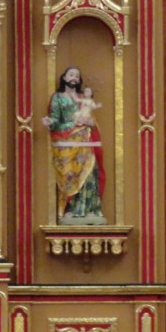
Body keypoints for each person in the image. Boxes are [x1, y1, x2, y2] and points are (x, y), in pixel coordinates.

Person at [42, 66, 106, 223]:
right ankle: (70, 209)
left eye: (77, 76)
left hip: (85, 141)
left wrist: (91, 122)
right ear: (64, 78)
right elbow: (56, 119)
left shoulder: (83, 97)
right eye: (71, 75)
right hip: (67, 142)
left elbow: (89, 117)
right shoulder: (58, 97)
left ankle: (91, 209)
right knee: (69, 175)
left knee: (89, 173)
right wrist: (50, 122)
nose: (74, 78)